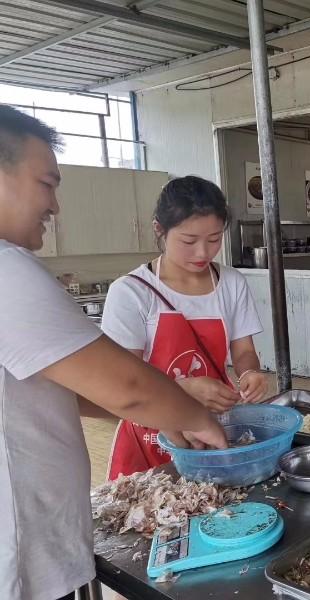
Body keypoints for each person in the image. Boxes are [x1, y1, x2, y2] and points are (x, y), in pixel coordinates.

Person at [0, 107, 226, 600]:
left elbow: (69, 389)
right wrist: (194, 416)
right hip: (19, 551)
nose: (55, 206)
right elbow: (125, 386)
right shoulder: (7, 271)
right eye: (46, 183)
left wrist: (170, 418)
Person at [102, 176, 269, 480]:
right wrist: (182, 390)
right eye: (189, 241)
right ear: (159, 230)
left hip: (212, 428)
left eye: (215, 239)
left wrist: (249, 374)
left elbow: (244, 351)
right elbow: (120, 380)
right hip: (150, 436)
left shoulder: (230, 283)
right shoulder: (131, 292)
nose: (203, 253)